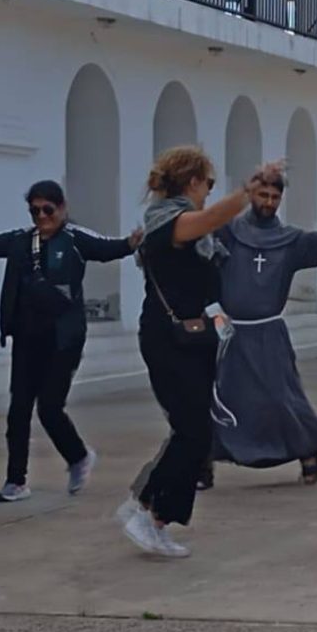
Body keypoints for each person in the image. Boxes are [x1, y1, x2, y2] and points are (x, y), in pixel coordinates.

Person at [0, 184, 140, 502]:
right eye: (35, 210)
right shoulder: (19, 241)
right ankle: (16, 481)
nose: (42, 216)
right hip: (27, 339)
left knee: (49, 408)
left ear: (62, 207)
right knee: (18, 411)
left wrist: (134, 241)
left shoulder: (75, 240)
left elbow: (111, 248)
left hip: (63, 341)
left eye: (48, 209)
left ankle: (78, 457)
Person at [205, 162, 317, 485]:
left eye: (275, 197)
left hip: (269, 333)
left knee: (282, 397)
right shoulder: (228, 233)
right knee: (220, 398)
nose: (268, 202)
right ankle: (203, 464)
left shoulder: (290, 241)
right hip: (231, 334)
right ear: (252, 194)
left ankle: (307, 452)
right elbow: (199, 239)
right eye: (263, 194)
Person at [118, 146, 254, 558]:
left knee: (197, 435)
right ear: (192, 181)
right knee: (192, 430)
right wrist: (247, 192)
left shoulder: (200, 237)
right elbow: (206, 220)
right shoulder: (167, 224)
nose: (209, 193)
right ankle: (140, 507)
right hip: (168, 340)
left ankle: (157, 520)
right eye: (208, 184)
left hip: (196, 339)